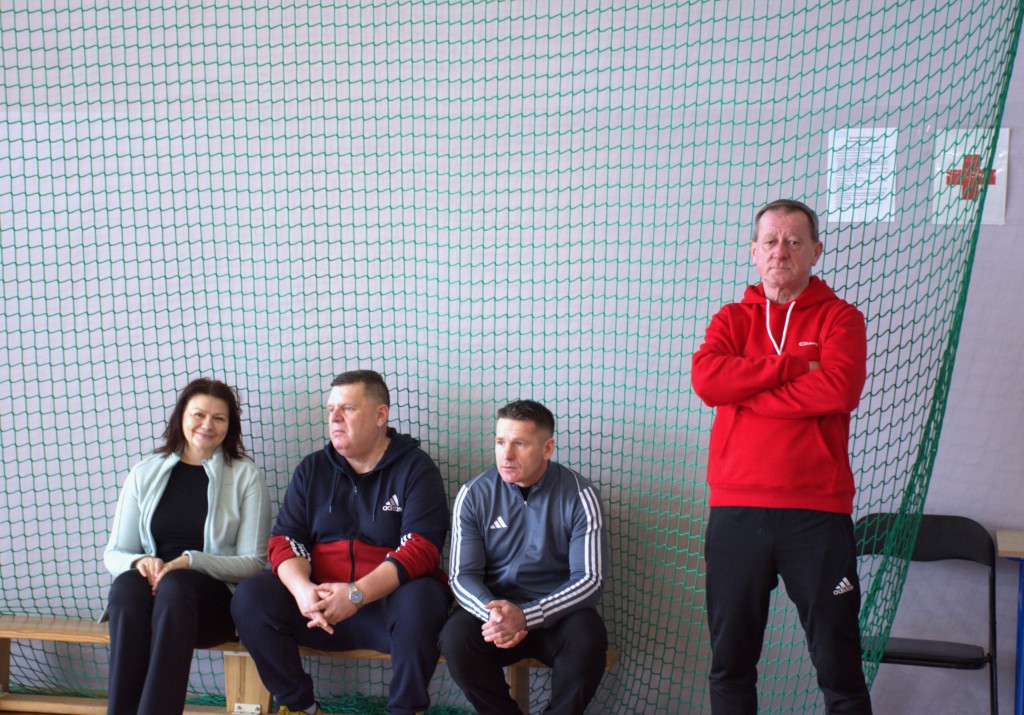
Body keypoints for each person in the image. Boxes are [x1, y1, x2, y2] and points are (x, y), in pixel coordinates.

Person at [691, 199, 873, 714]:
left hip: (817, 513)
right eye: (770, 241)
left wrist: (745, 392)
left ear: (816, 250)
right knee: (730, 666)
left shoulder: (841, 318)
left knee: (839, 669)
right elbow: (708, 381)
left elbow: (838, 390)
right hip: (736, 511)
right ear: (754, 251)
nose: (781, 251)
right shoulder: (731, 319)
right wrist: (792, 366)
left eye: (794, 241)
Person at [231, 370, 450, 715]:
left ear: (380, 415)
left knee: (424, 597)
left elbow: (421, 549)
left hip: (385, 609)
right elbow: (286, 541)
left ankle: (406, 710)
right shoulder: (312, 469)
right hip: (319, 608)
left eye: (347, 408)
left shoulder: (416, 469)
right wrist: (303, 591)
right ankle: (301, 708)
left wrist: (356, 594)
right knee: (251, 595)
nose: (334, 418)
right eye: (331, 409)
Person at [102, 378, 272, 715]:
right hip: (152, 593)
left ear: (229, 426)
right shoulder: (145, 472)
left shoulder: (246, 476)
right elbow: (115, 553)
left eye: (219, 418)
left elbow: (253, 562)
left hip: (210, 605)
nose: (207, 425)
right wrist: (141, 563)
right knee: (125, 588)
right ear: (181, 416)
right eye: (198, 414)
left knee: (176, 587)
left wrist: (189, 562)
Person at [440, 399, 608, 715]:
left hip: (557, 615)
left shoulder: (580, 495)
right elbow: (462, 576)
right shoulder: (473, 494)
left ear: (547, 448)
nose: (506, 454)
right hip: (495, 615)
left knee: (588, 637)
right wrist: (493, 613)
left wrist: (528, 615)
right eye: (500, 442)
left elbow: (590, 580)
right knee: (456, 637)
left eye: (519, 443)